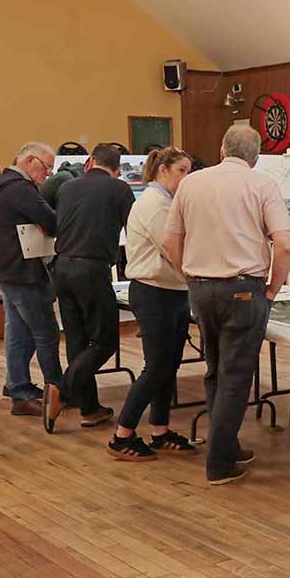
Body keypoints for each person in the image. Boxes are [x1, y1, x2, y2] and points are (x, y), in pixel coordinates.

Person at [164, 125, 290, 485]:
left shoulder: (192, 183)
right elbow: (283, 245)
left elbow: (170, 240)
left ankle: (227, 446)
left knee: (215, 369)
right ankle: (219, 462)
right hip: (243, 289)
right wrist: (272, 289)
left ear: (222, 149)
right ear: (255, 157)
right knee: (236, 377)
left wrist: (189, 276)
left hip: (201, 289)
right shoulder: (262, 185)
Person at [108, 147, 195, 461]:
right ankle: (122, 435)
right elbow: (173, 246)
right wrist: (197, 273)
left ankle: (160, 430)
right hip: (154, 292)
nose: (187, 177)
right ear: (164, 170)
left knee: (168, 367)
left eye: (189, 171)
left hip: (172, 292)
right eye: (182, 170)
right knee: (156, 367)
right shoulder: (154, 203)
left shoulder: (167, 202)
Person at [45, 143, 135, 433]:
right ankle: (62, 390)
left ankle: (90, 409)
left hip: (62, 267)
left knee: (76, 340)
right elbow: (134, 230)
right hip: (92, 269)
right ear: (117, 169)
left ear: (89, 162)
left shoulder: (67, 188)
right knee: (105, 341)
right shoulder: (120, 190)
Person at [0, 142, 66, 418]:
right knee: (46, 332)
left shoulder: (3, 185)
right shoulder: (21, 189)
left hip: (8, 269)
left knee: (19, 332)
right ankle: (56, 391)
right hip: (24, 272)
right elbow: (52, 221)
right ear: (30, 161)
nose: (48, 173)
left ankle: (18, 387)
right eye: (46, 167)